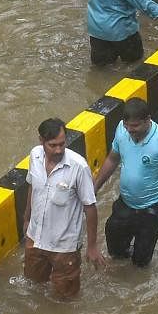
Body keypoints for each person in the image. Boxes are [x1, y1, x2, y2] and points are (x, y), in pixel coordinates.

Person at [92, 98, 158, 268]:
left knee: (141, 263)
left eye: (135, 126)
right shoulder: (122, 130)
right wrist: (95, 186)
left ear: (147, 120)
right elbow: (113, 159)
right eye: (127, 126)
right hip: (125, 203)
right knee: (115, 250)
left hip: (152, 208)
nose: (130, 130)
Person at [22, 117, 105, 299]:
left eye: (62, 144)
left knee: (66, 297)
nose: (58, 149)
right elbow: (32, 188)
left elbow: (90, 207)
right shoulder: (34, 156)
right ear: (41, 141)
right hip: (35, 237)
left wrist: (92, 246)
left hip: (64, 246)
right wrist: (27, 219)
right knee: (33, 286)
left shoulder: (79, 166)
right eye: (53, 145)